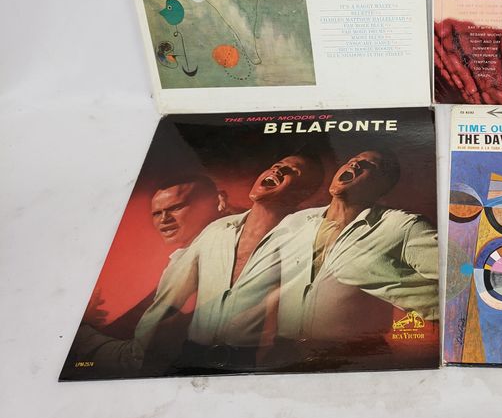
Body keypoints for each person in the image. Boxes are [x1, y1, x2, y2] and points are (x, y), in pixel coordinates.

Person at [73, 154, 323, 375]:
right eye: (276, 165)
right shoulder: (214, 232)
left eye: (292, 171)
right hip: (192, 359)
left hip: (260, 364)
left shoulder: (306, 237)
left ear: (304, 192)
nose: (278, 170)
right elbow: (154, 329)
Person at [271, 149, 438, 368]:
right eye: (353, 160)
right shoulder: (295, 222)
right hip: (285, 355)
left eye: (369, 166)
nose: (356, 165)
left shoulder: (402, 226)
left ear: (382, 186)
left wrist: (416, 299)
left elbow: (458, 278)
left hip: (353, 359)